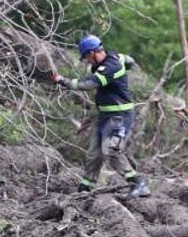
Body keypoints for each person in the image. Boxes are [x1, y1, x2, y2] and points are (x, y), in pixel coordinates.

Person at [52, 35, 149, 197]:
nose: (87, 61)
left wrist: (63, 81)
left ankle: (139, 184)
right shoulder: (114, 59)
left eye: (86, 57)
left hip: (120, 116)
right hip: (105, 116)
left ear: (93, 53)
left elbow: (88, 84)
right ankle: (85, 189)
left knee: (112, 151)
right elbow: (129, 60)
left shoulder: (110, 67)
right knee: (94, 154)